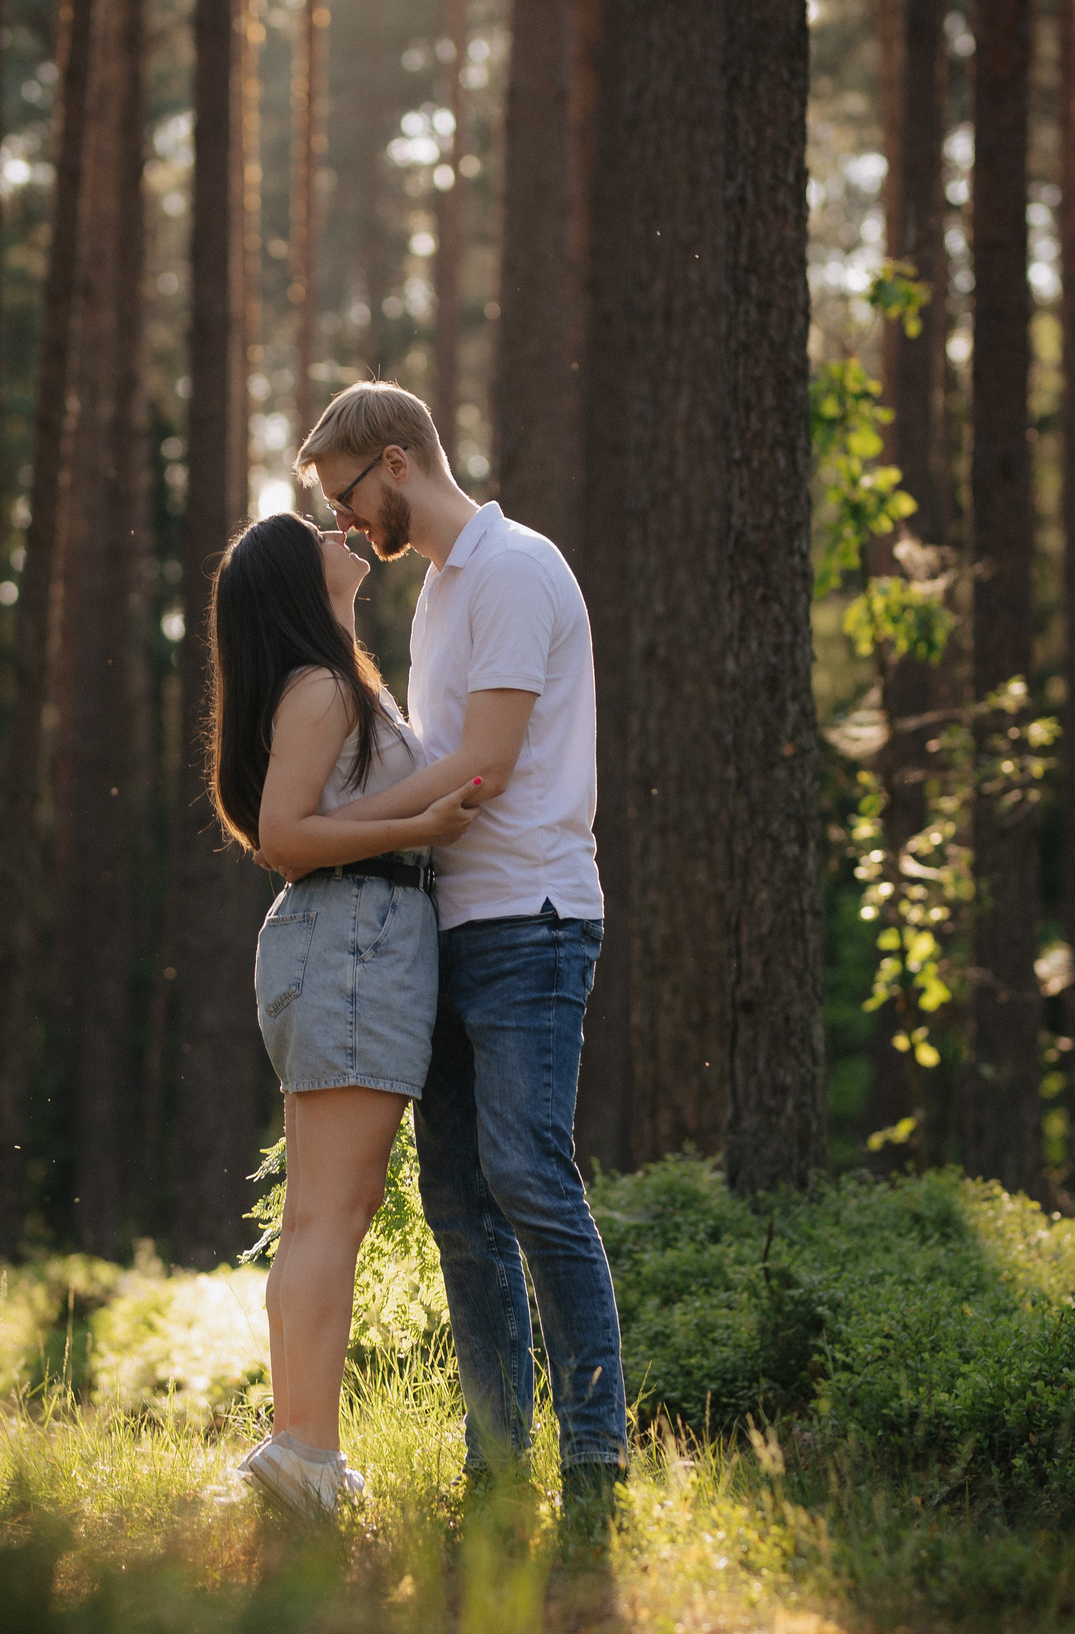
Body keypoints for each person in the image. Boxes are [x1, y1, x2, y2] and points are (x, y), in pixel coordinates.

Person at [287, 381, 630, 1514]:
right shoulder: (438, 593)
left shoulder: (518, 567)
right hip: (451, 922)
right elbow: (415, 754)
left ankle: (593, 1459)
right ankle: (498, 1470)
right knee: (458, 1210)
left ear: (394, 462)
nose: (346, 525)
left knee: (531, 1179)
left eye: (345, 498)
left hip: (530, 917)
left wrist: (340, 837)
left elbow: (479, 763)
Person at [203, 510, 484, 1516]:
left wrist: (417, 823)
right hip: (351, 938)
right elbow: (283, 835)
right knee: (327, 1213)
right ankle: (303, 1455)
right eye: (314, 528)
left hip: (354, 938)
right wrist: (422, 822)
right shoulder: (320, 688)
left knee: (334, 1210)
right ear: (294, 577)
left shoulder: (330, 681)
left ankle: (304, 1451)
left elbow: (304, 823)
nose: (339, 530)